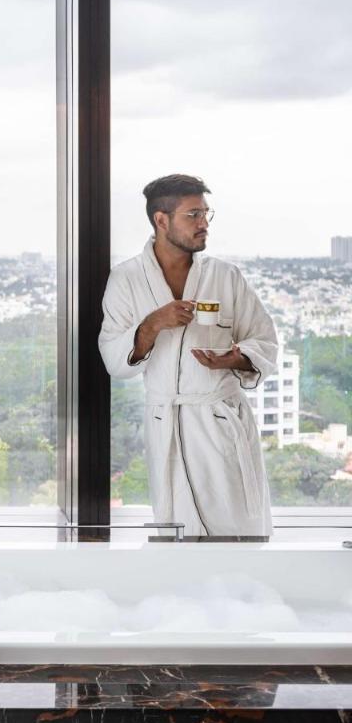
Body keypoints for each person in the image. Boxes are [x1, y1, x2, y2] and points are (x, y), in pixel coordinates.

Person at [99, 174, 278, 538]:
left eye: (206, 215)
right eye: (193, 215)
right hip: (166, 421)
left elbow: (264, 340)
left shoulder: (226, 277)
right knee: (176, 533)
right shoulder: (126, 279)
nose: (203, 225)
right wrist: (151, 325)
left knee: (238, 528)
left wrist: (236, 357)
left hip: (220, 422)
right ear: (161, 220)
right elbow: (113, 360)